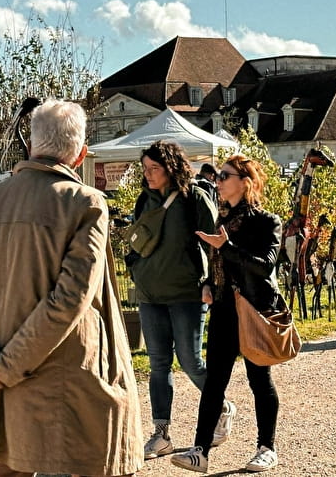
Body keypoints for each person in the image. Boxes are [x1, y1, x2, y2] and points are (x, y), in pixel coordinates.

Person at [0, 100, 142, 477]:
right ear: (81, 155)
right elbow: (70, 299)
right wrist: (6, 367)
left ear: (31, 147)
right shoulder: (85, 203)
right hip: (64, 388)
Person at [169, 154, 284, 473]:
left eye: (224, 175)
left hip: (252, 310)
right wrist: (208, 282)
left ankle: (266, 447)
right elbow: (219, 267)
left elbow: (265, 266)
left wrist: (227, 246)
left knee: (259, 378)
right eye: (218, 176)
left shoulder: (266, 222)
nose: (218, 181)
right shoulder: (221, 220)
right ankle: (200, 450)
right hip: (223, 310)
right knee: (215, 382)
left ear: (244, 182)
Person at [124, 141, 224, 459]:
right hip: (150, 295)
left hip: (186, 295)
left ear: (171, 167)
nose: (149, 174)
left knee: (191, 361)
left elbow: (215, 242)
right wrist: (134, 267)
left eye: (155, 168)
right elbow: (136, 239)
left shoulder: (194, 197)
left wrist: (211, 281)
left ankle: (219, 407)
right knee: (158, 365)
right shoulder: (145, 198)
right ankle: (161, 433)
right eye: (145, 169)